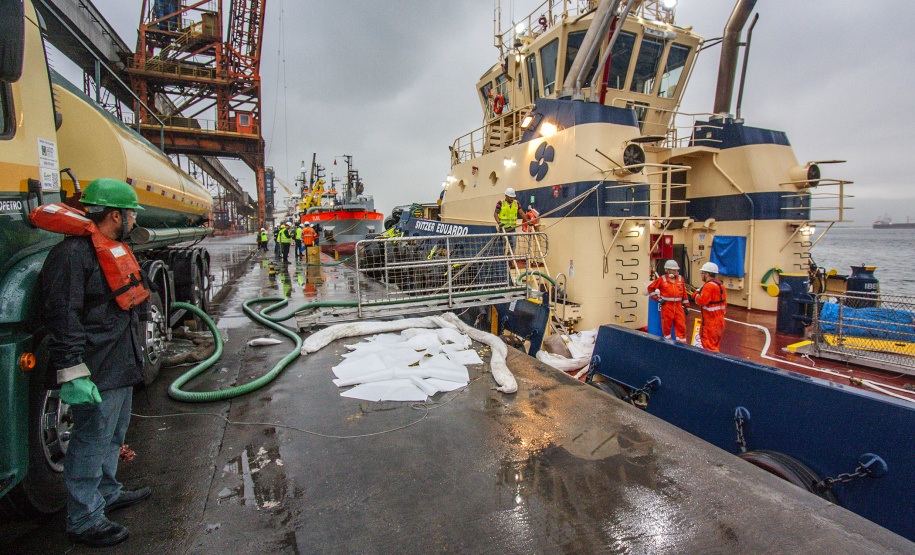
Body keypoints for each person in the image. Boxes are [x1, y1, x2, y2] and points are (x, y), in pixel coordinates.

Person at [38, 178, 152, 547]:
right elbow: (62, 314)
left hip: (120, 360)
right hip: (96, 365)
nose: (134, 219)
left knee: (114, 434)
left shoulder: (113, 247)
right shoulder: (72, 256)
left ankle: (108, 491)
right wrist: (71, 369)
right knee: (91, 438)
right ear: (115, 214)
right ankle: (84, 518)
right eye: (131, 213)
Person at [647, 260, 690, 342]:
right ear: (667, 270)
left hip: (678, 307)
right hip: (667, 307)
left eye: (676, 270)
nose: (675, 272)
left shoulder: (681, 279)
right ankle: (669, 345)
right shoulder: (662, 279)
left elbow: (684, 294)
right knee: (666, 328)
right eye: (673, 270)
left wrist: (687, 306)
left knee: (681, 328)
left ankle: (682, 346)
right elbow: (650, 288)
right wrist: (658, 299)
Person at [692, 261, 727, 352]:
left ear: (707, 274)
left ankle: (714, 365)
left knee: (709, 349)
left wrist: (695, 294)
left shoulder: (708, 286)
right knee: (715, 346)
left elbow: (701, 301)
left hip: (710, 324)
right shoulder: (721, 286)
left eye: (702, 273)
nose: (701, 275)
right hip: (720, 323)